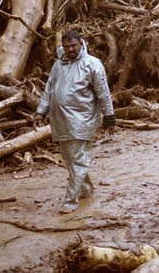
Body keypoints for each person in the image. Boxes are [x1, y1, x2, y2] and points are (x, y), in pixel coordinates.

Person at [33, 31, 116, 214]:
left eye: (73, 46)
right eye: (66, 46)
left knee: (77, 159)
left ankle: (70, 201)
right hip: (61, 121)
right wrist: (40, 111)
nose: (70, 49)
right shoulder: (58, 65)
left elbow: (103, 93)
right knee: (69, 158)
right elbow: (49, 90)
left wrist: (109, 117)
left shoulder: (92, 64)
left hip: (83, 120)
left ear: (81, 44)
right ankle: (85, 188)